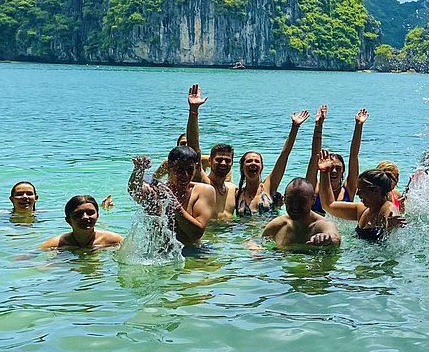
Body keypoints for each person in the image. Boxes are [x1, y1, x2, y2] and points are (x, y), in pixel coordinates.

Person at [129, 146, 217, 247]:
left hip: (192, 250)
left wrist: (174, 204)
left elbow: (196, 234)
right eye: (179, 170)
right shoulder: (158, 191)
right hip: (159, 251)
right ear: (168, 168)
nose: (185, 175)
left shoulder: (204, 191)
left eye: (190, 170)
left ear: (196, 168)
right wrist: (138, 170)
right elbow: (134, 190)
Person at [235, 110, 310, 217]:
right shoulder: (236, 194)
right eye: (249, 161)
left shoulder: (269, 186)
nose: (253, 163)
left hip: (269, 228)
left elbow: (284, 155)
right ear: (242, 167)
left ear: (262, 167)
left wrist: (295, 127)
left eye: (257, 161)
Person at [317, 152, 404, 242]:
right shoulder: (362, 209)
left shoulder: (387, 208)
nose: (357, 193)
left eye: (361, 190)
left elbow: (393, 216)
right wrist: (324, 171)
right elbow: (328, 205)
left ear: (376, 191)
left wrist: (391, 226)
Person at [184, 84, 237, 220]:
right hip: (206, 234)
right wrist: (194, 111)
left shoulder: (233, 190)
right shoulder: (203, 184)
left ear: (232, 163)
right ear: (210, 161)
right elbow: (194, 148)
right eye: (219, 159)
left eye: (227, 160)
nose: (223, 163)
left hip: (229, 234)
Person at [305, 105, 365, 213]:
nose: (333, 171)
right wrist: (318, 125)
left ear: (343, 171)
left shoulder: (349, 189)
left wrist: (359, 125)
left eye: (338, 168)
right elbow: (314, 156)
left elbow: (354, 156)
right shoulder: (315, 189)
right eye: (330, 167)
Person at [261, 178, 341, 249]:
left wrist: (327, 239)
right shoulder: (278, 225)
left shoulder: (323, 225)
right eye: (290, 200)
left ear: (313, 200)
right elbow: (260, 243)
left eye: (302, 200)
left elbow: (335, 239)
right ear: (284, 199)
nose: (295, 206)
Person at [39, 195, 124, 251]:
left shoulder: (114, 240)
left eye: (90, 213)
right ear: (68, 220)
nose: (85, 217)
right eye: (78, 214)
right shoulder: (55, 245)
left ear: (97, 216)